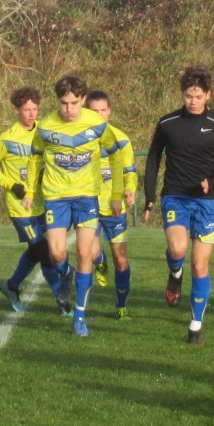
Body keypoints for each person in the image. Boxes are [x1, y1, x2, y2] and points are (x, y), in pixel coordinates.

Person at [22, 75, 123, 337]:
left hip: (87, 196)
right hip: (56, 196)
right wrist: (30, 191)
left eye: (74, 103)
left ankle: (79, 316)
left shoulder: (97, 124)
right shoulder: (46, 126)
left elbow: (116, 155)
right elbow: (34, 159)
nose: (69, 109)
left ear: (83, 100)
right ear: (57, 101)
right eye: (64, 103)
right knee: (56, 253)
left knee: (84, 253)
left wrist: (116, 193)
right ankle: (66, 274)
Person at [143, 65, 214, 346]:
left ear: (208, 95)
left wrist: (213, 183)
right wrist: (149, 196)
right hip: (175, 196)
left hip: (206, 202)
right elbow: (153, 159)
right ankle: (175, 273)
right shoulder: (168, 123)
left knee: (200, 263)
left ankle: (195, 326)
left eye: (198, 96)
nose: (193, 101)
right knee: (178, 248)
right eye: (188, 96)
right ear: (182, 94)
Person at [0, 86, 63, 313]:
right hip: (20, 208)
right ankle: (63, 302)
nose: (32, 114)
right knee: (44, 254)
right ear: (16, 110)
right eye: (27, 110)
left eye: (35, 109)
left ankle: (11, 286)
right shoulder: (7, 138)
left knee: (37, 251)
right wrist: (11, 184)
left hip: (43, 204)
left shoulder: (44, 132)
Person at [84, 90, 138, 319]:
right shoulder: (80, 138)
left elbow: (130, 172)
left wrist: (130, 189)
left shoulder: (121, 139)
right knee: (89, 253)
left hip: (114, 208)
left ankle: (121, 305)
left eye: (103, 110)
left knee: (121, 259)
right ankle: (100, 261)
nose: (99, 115)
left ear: (109, 112)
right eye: (93, 111)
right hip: (88, 205)